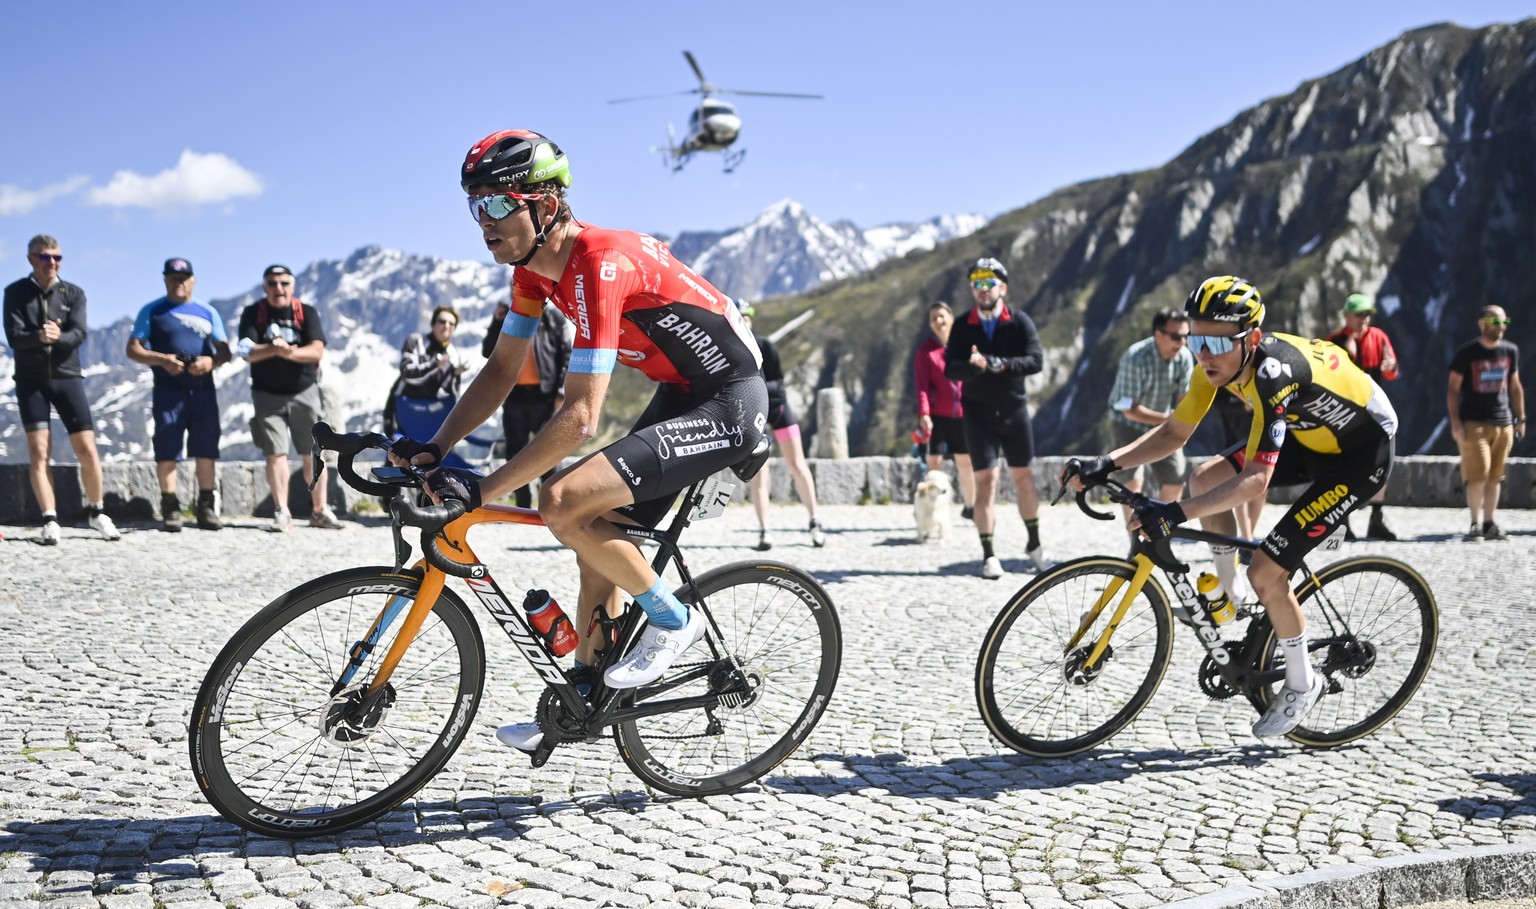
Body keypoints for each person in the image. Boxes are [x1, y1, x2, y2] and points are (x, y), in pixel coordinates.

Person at [391, 129, 768, 755]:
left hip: (729, 400)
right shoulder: (533, 274)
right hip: (681, 392)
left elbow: (580, 417)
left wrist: (482, 491)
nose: (480, 221)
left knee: (561, 499)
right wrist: (437, 446)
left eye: (493, 204)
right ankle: (585, 697)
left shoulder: (600, 261)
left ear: (543, 205)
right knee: (594, 536)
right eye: (472, 205)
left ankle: (674, 619)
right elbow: (502, 369)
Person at [1065, 276, 1398, 737]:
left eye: (1217, 342)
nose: (1203, 354)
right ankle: (1230, 594)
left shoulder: (1273, 373)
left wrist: (1177, 513)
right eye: (1196, 339)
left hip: (1362, 452)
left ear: (1253, 339)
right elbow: (1173, 434)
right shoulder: (1214, 366)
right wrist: (1106, 462)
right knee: (1205, 476)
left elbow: (1256, 480)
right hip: (1312, 436)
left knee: (1267, 570)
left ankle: (1304, 683)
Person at [2, 234, 119, 544]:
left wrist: (58, 337)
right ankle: (49, 518)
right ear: (31, 259)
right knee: (39, 451)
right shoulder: (14, 293)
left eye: (57, 257)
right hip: (31, 381)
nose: (52, 263)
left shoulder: (74, 293)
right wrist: (39, 337)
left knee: (88, 449)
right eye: (45, 257)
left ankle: (97, 511)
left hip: (68, 378)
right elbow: (14, 338)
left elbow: (79, 333)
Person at [943, 257, 1047, 580]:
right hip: (978, 413)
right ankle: (988, 554)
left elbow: (1036, 360)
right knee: (985, 482)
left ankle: (1035, 544)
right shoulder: (962, 325)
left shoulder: (1019, 321)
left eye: (989, 283)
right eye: (976, 284)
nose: (982, 289)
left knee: (1024, 479)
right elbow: (950, 368)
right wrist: (973, 368)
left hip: (1014, 410)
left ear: (1003, 287)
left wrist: (1001, 364)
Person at [126, 258, 232, 531]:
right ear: (165, 280)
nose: (179, 282)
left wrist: (210, 362)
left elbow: (224, 350)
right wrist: (163, 360)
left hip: (202, 389)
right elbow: (133, 349)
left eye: (184, 278)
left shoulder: (208, 312)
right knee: (168, 448)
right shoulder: (152, 311)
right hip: (167, 390)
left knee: (207, 447)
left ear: (193, 281)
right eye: (173, 278)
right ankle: (170, 506)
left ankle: (206, 507)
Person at [237, 264, 343, 531]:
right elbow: (245, 351)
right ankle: (281, 511)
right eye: (272, 284)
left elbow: (316, 351)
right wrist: (272, 348)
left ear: (293, 286)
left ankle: (319, 510)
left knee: (313, 452)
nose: (278, 289)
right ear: (264, 287)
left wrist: (287, 353)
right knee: (275, 453)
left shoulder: (305, 312)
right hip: (266, 394)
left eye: (284, 283)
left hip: (304, 392)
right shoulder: (253, 313)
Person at [737, 298, 825, 550]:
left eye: (748, 316)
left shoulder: (765, 345)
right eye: (740, 316)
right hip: (756, 415)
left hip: (777, 410)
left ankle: (814, 520)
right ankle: (765, 530)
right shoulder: (732, 348)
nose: (745, 320)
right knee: (759, 474)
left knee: (798, 464)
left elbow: (779, 381)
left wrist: (756, 391)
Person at [1105, 308, 1194, 540]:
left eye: (1186, 336)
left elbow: (1184, 402)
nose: (1182, 342)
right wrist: (1170, 419)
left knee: (1175, 480)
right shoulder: (1135, 358)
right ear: (1158, 335)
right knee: (1134, 485)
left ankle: (1156, 533)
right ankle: (1136, 540)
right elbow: (1130, 411)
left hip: (1161, 424)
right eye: (1176, 337)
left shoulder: (1184, 357)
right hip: (1128, 424)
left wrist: (1180, 423)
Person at [481, 295, 574, 507]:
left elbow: (566, 354)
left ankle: (551, 503)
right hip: (514, 396)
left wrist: (561, 390)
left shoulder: (553, 318)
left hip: (545, 395)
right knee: (515, 451)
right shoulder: (509, 317)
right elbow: (488, 351)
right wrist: (497, 321)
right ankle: (523, 503)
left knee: (547, 449)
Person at [1325, 293, 1401, 541]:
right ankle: (1341, 520)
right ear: (1346, 315)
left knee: (1381, 462)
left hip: (1374, 408)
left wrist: (1390, 368)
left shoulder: (1378, 338)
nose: (1364, 319)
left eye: (1367, 314)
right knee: (1343, 464)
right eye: (1359, 314)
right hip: (1343, 412)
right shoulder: (1333, 341)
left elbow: (1392, 372)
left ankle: (1376, 518)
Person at [1447, 304, 1524, 542]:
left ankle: (1489, 523)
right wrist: (1456, 422)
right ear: (1481, 324)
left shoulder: (1510, 351)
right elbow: (1452, 390)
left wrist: (1521, 418)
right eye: (1494, 322)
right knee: (1477, 475)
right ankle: (1474, 524)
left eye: (1503, 322)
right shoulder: (1467, 354)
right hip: (1474, 422)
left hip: (1504, 422)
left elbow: (1514, 386)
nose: (1500, 327)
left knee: (1495, 475)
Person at [914, 301, 975, 519]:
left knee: (965, 461)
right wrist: (924, 413)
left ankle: (970, 506)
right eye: (933, 318)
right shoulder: (925, 352)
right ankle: (936, 506)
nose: (938, 321)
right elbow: (922, 386)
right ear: (930, 324)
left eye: (942, 316)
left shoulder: (965, 346)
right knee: (934, 462)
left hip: (963, 414)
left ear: (951, 317)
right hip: (937, 415)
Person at [390, 305, 470, 460]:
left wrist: (454, 374)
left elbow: (451, 392)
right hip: (404, 408)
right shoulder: (416, 341)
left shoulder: (453, 353)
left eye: (451, 324)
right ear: (433, 324)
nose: (446, 326)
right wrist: (435, 364)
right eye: (442, 321)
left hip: (430, 415)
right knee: (396, 455)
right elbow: (407, 373)